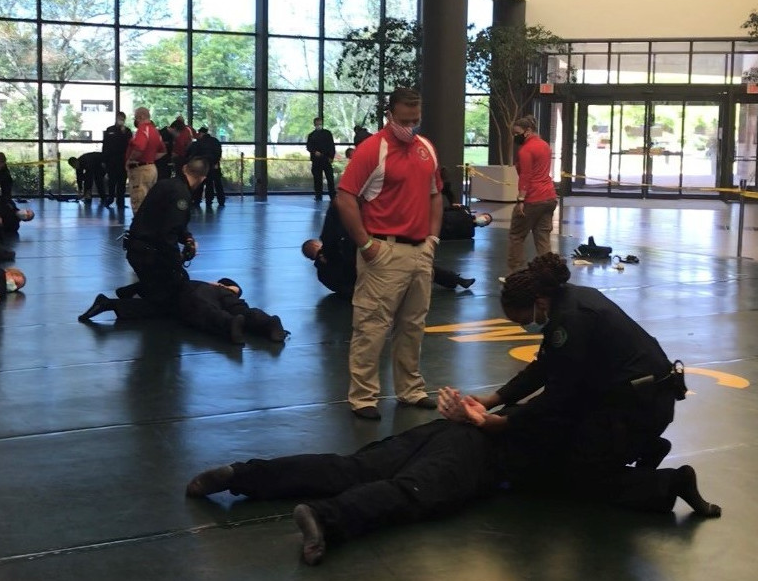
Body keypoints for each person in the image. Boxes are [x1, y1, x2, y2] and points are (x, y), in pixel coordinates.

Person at [186, 403, 721, 567]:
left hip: (447, 432)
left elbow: (602, 482)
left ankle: (244, 475)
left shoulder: (560, 404)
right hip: (475, 451)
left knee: (351, 467)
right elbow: (598, 481)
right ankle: (326, 519)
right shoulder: (576, 442)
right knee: (414, 491)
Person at [454, 252, 687, 474]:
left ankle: (655, 464)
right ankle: (640, 445)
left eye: (523, 321)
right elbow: (544, 366)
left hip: (642, 406)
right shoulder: (566, 301)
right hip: (638, 395)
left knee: (568, 467)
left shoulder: (572, 320)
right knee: (553, 426)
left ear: (539, 303)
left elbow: (560, 394)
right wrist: (493, 400)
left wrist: (507, 422)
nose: (524, 326)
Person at [334, 87, 443, 419]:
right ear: (390, 115)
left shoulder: (426, 148)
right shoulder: (372, 149)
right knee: (371, 326)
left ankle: (410, 389)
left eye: (415, 120)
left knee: (413, 325)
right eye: (404, 120)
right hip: (383, 252)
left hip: (420, 251)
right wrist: (366, 245)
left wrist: (432, 240)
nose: (410, 126)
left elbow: (435, 195)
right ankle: (363, 397)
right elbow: (345, 196)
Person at [79, 156, 209, 322]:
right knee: (170, 303)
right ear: (203, 179)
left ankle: (136, 289)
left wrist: (188, 238)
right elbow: (168, 235)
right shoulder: (182, 195)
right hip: (149, 256)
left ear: (184, 168)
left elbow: (170, 222)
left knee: (177, 282)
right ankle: (109, 304)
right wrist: (177, 262)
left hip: (136, 249)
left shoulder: (165, 185)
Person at [302, 205, 474, 297]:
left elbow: (340, 289)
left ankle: (454, 280)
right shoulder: (332, 252)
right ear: (316, 244)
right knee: (416, 266)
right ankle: (455, 280)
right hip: (373, 270)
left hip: (368, 284)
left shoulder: (323, 273)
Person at [81, 277, 288, 345]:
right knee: (242, 310)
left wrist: (118, 300)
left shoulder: (175, 287)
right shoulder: (225, 287)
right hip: (225, 292)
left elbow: (127, 292)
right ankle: (267, 322)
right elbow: (235, 289)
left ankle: (228, 324)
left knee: (205, 310)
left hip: (194, 291)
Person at [507, 115, 557, 275]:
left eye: (517, 133)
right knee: (542, 237)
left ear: (527, 131)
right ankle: (548, 273)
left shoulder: (526, 150)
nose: (515, 136)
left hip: (533, 199)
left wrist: (521, 199)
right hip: (549, 197)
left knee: (516, 235)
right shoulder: (545, 145)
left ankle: (516, 274)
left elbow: (526, 176)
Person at [126, 107, 166, 214]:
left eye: (136, 118)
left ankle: (139, 223)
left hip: (141, 169)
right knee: (149, 199)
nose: (136, 120)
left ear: (141, 116)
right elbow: (163, 151)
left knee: (138, 200)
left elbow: (139, 147)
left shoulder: (143, 129)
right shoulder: (155, 131)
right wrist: (150, 158)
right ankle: (149, 221)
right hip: (151, 168)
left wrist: (130, 160)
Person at [186, 126, 225, 207]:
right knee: (217, 184)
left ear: (201, 133)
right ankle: (220, 200)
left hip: (202, 166)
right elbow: (219, 153)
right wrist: (215, 162)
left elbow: (193, 154)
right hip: (214, 166)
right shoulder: (215, 141)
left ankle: (197, 200)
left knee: (200, 184)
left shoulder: (198, 143)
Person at [102, 112, 132, 208]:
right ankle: (110, 199)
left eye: (122, 119)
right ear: (116, 119)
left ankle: (120, 202)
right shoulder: (109, 130)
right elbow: (105, 145)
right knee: (111, 181)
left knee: (122, 182)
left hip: (123, 160)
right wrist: (104, 160)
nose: (120, 121)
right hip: (111, 160)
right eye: (119, 119)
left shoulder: (127, 131)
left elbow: (130, 144)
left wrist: (123, 133)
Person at [306, 117, 335, 200]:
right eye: (317, 124)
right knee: (317, 179)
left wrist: (331, 157)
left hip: (326, 159)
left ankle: (332, 195)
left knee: (330, 178)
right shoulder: (311, 135)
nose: (319, 125)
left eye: (320, 124)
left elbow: (331, 146)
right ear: (314, 124)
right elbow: (308, 147)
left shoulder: (327, 133)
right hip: (316, 160)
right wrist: (314, 152)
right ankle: (318, 195)